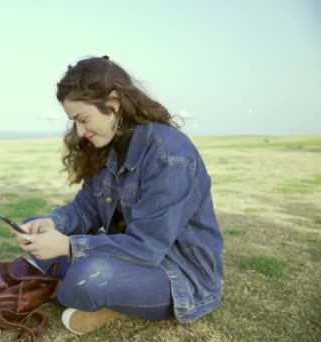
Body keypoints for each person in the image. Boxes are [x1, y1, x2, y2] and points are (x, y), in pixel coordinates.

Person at [14, 55, 224, 335]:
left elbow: (147, 248)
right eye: (73, 122)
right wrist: (53, 225)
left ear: (113, 104)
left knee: (87, 277)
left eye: (82, 119)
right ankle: (108, 297)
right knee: (36, 226)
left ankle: (97, 294)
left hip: (178, 274)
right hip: (125, 259)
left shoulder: (170, 155)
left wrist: (67, 247)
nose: (79, 131)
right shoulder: (107, 147)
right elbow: (84, 211)